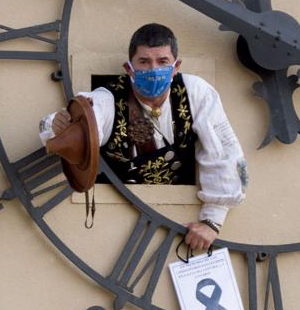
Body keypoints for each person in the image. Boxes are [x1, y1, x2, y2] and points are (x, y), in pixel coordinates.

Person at [39, 23, 246, 252]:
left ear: (176, 66)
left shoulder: (196, 91)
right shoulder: (107, 99)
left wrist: (212, 220)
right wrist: (59, 126)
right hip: (115, 228)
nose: (153, 69)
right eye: (144, 62)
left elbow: (223, 151)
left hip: (178, 221)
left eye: (162, 62)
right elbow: (87, 118)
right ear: (129, 68)